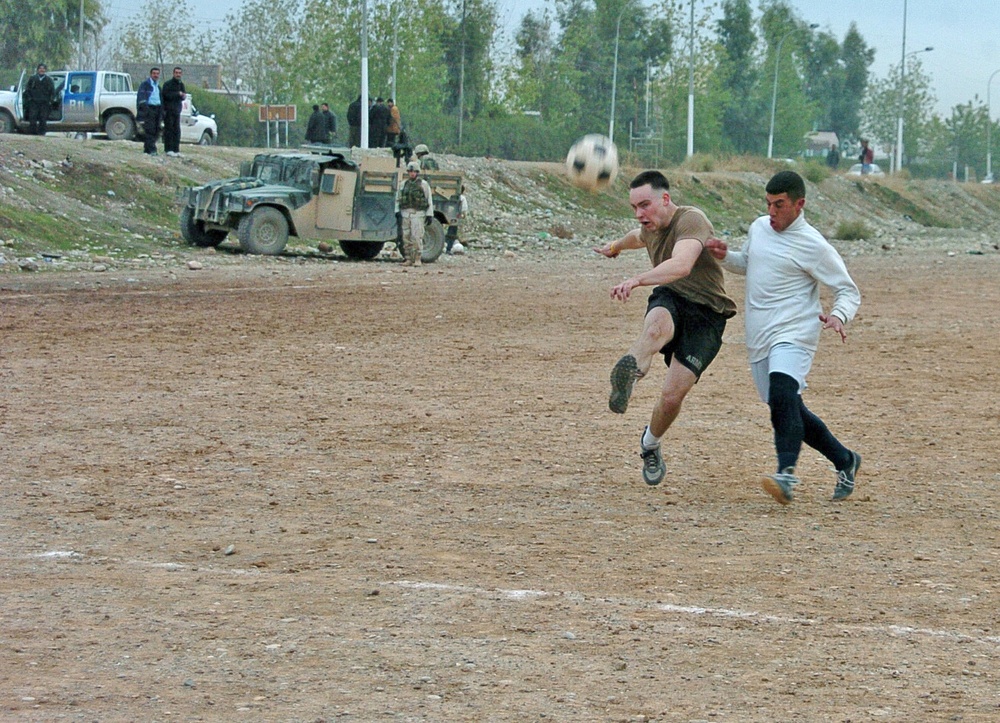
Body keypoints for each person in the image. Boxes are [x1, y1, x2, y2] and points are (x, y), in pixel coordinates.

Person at [705, 170, 862, 505]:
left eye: (779, 205)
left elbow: (847, 290)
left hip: (795, 330)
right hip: (759, 333)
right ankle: (845, 460)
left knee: (782, 392)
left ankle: (786, 475)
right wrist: (723, 257)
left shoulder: (814, 245)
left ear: (799, 204)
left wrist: (838, 315)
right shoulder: (759, 228)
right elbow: (747, 263)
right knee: (787, 408)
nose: (771, 211)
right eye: (768, 204)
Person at [593, 170, 737, 487]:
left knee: (672, 397)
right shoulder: (649, 227)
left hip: (707, 313)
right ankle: (630, 373)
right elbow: (638, 237)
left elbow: (682, 264)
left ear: (665, 199)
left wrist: (637, 279)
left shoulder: (691, 220)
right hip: (671, 296)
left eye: (644, 205)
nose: (639, 214)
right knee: (655, 329)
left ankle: (650, 444)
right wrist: (615, 246)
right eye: (634, 208)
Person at [396, 160, 433, 267]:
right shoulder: (403, 184)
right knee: (406, 237)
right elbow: (398, 198)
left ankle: (417, 258)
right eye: (410, 171)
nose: (412, 173)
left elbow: (428, 199)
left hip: (418, 213)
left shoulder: (423, 184)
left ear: (417, 172)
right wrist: (397, 211)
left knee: (416, 237)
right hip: (405, 213)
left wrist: (429, 214)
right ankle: (408, 258)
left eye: (414, 171)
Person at [136, 67, 163, 156]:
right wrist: (145, 110)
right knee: (150, 130)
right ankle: (152, 149)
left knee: (156, 130)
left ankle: (147, 149)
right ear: (151, 74)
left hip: (157, 109)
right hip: (149, 109)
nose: (156, 75)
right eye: (154, 73)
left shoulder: (158, 86)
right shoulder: (145, 85)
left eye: (157, 74)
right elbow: (141, 98)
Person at [161, 67, 187, 157]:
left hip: (177, 111)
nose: (178, 74)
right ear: (173, 73)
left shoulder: (181, 85)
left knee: (177, 130)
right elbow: (166, 95)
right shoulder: (167, 84)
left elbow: (183, 95)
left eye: (179, 73)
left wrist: (183, 96)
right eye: (176, 73)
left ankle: (176, 150)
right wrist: (177, 94)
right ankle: (168, 149)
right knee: (169, 130)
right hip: (168, 111)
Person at [24, 63, 56, 136]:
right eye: (40, 68)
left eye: (43, 68)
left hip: (44, 103)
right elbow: (27, 90)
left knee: (43, 118)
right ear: (38, 70)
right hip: (34, 102)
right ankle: (32, 132)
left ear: (45, 70)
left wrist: (50, 101)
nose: (42, 70)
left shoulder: (49, 80)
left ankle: (42, 133)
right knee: (32, 117)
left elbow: (52, 92)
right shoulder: (33, 79)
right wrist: (30, 99)